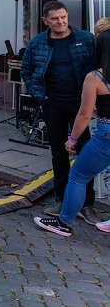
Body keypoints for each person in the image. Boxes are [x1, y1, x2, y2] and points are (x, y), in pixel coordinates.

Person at [21, 0, 99, 224]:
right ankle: (62, 198)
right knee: (58, 153)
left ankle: (87, 204)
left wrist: (96, 99)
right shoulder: (38, 43)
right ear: (45, 20)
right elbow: (26, 70)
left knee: (86, 154)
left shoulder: (85, 39)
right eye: (55, 18)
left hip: (80, 105)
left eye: (63, 17)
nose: (60, 22)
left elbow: (98, 68)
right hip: (52, 104)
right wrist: (39, 96)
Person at [34, 30, 110, 236]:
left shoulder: (95, 77)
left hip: (106, 134)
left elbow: (85, 114)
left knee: (78, 176)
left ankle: (64, 222)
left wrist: (72, 139)